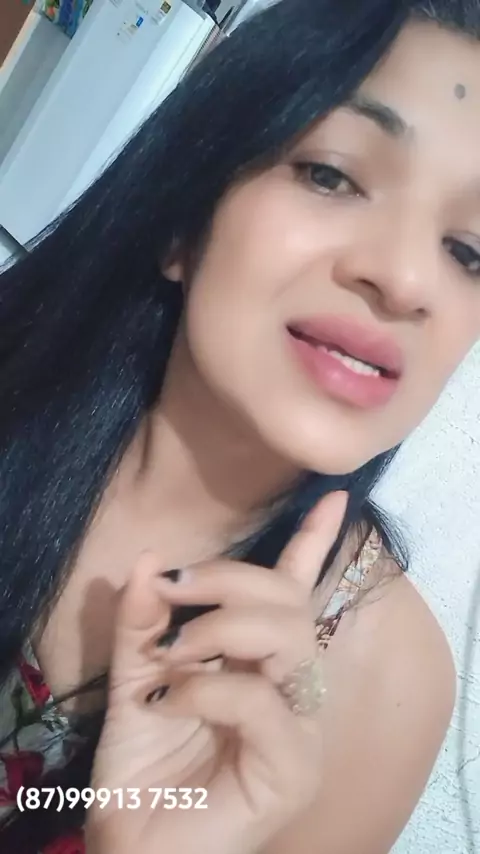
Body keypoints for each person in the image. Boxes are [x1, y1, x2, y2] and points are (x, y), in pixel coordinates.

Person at [1, 0, 480, 851]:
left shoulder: (386, 682)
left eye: (470, 252)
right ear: (186, 217)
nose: (406, 280)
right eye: (331, 175)